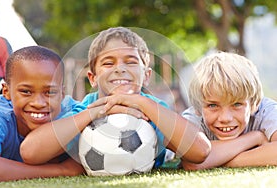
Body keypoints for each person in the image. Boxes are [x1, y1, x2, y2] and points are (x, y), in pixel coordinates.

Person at [20, 27, 210, 168]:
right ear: (92, 78)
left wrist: (140, 102)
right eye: (108, 63)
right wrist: (99, 112)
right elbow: (30, 152)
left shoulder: (155, 109)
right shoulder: (84, 109)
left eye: (131, 61)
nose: (120, 68)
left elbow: (200, 151)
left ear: (147, 75)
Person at [0, 46, 86, 184]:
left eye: (50, 92)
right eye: (26, 92)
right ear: (6, 91)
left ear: (62, 94)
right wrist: (62, 170)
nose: (38, 103)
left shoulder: (74, 112)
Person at [180, 51, 277, 170]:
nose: (225, 118)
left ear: (254, 104)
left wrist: (224, 161)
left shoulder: (266, 111)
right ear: (198, 108)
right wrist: (254, 138)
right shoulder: (192, 118)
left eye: (236, 104)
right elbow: (192, 161)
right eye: (212, 106)